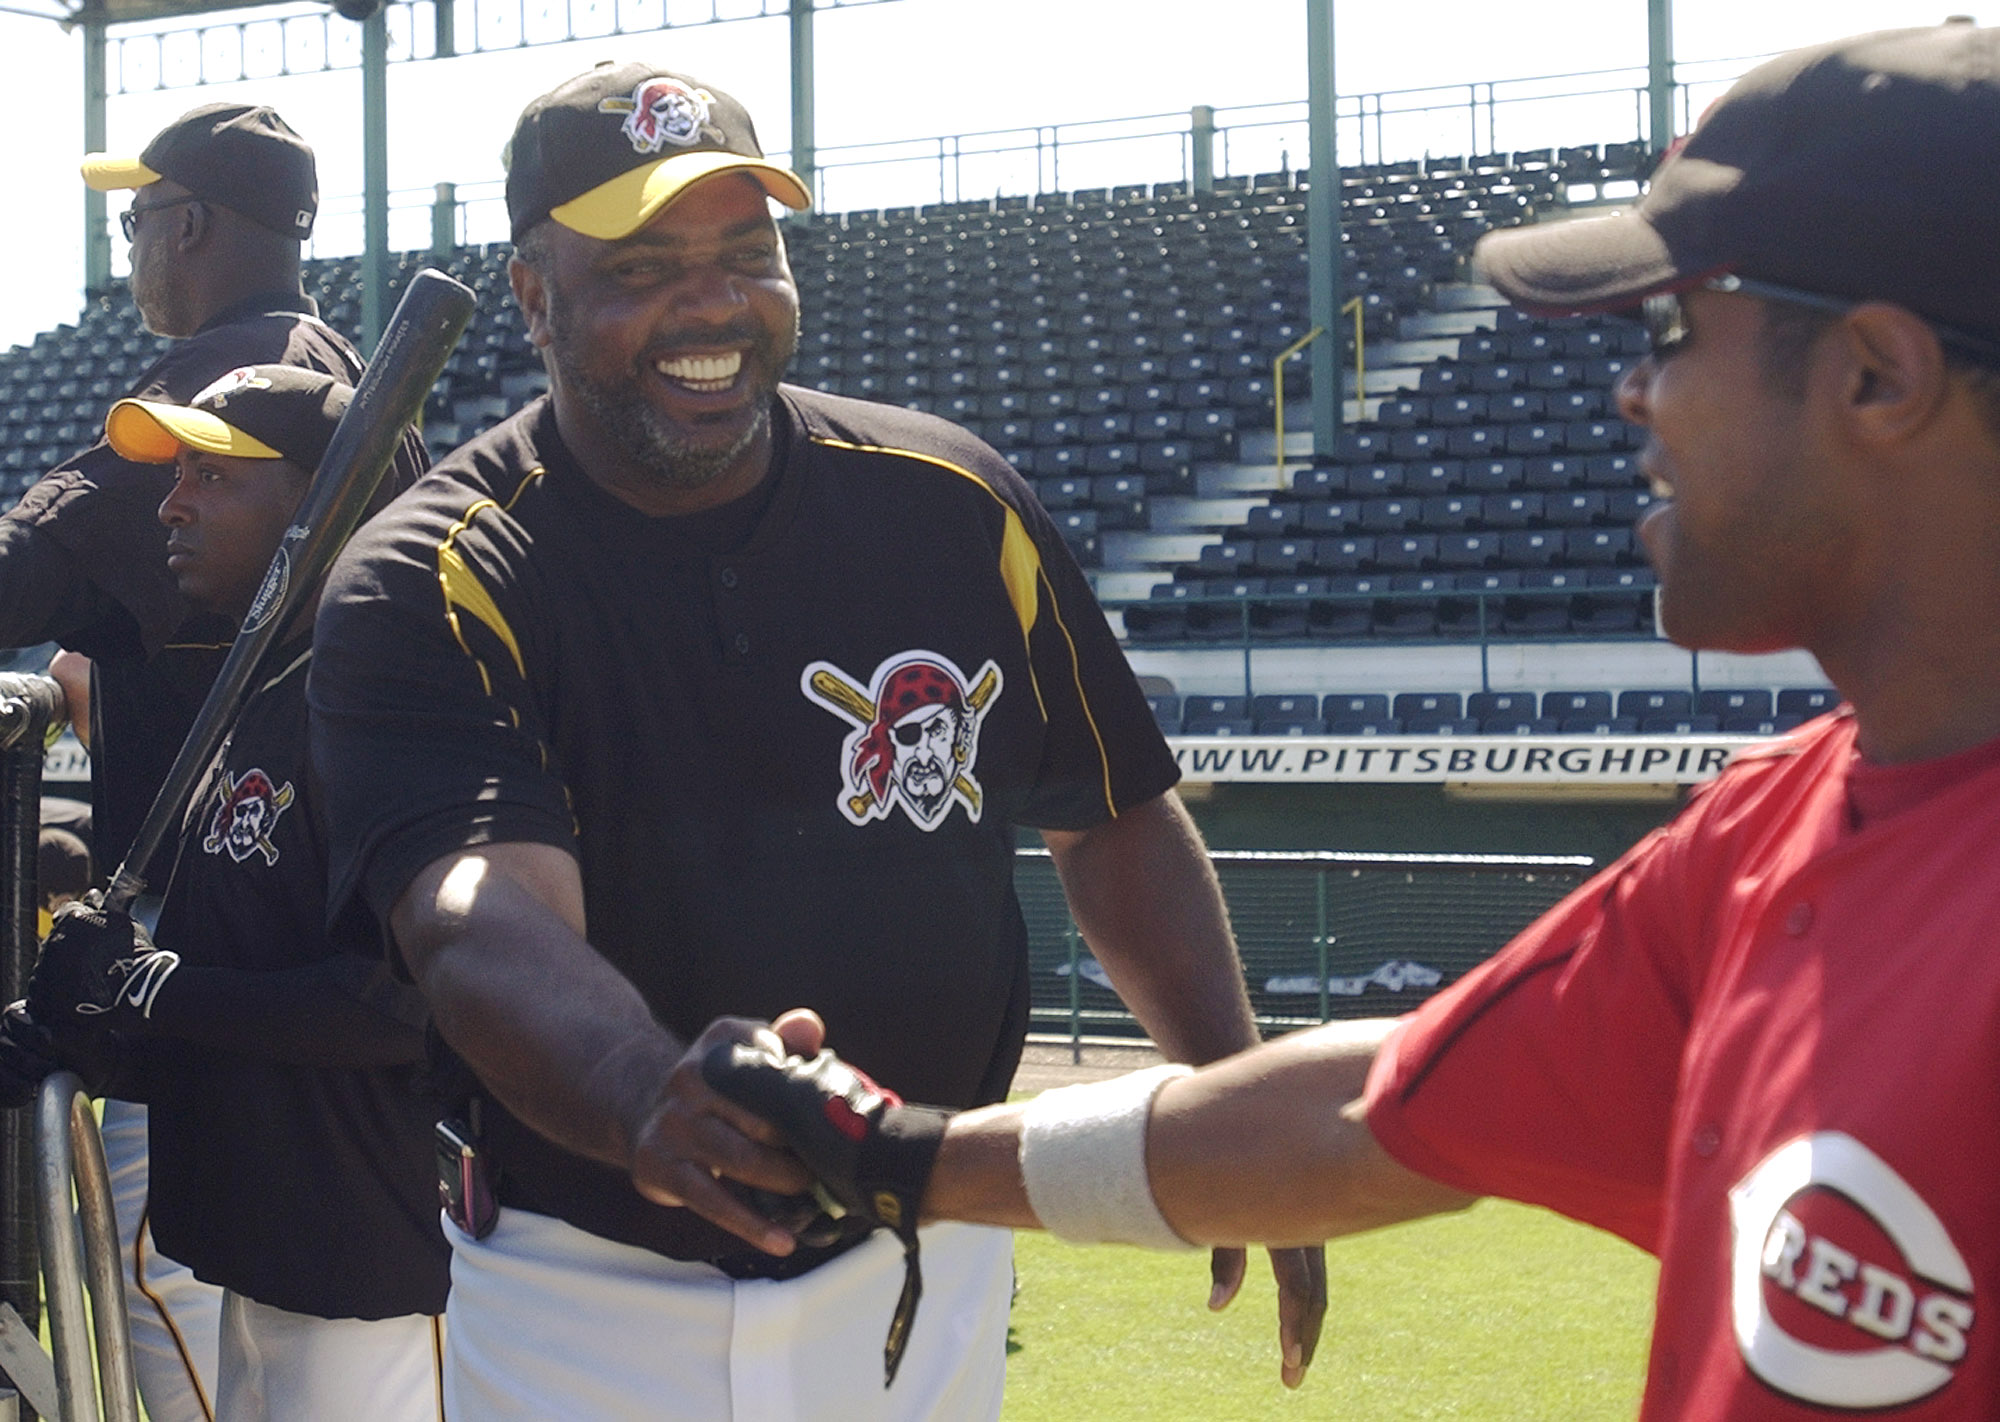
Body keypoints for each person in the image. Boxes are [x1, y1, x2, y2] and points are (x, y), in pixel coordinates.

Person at [710, 24, 2000, 1420]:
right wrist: (900, 1154)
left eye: (1675, 326)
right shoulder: (1765, 827)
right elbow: (1368, 1115)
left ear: (1878, 374)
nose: (1635, 387)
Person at [306, 60, 1323, 1418]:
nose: (714, 299)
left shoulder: (954, 502)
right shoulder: (437, 568)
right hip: (580, 1281)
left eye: (748, 251)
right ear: (535, 296)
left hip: (930, 1255)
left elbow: (1115, 813)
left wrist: (1232, 1096)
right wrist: (643, 1087)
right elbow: (476, 916)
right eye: (647, 263)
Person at [0, 102, 428, 1422]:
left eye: (136, 218)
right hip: (233, 1038)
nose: (131, 246)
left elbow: (20, 572)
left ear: (189, 221)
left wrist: (148, 991)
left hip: (253, 1077)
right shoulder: (317, 368)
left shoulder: (240, 389)